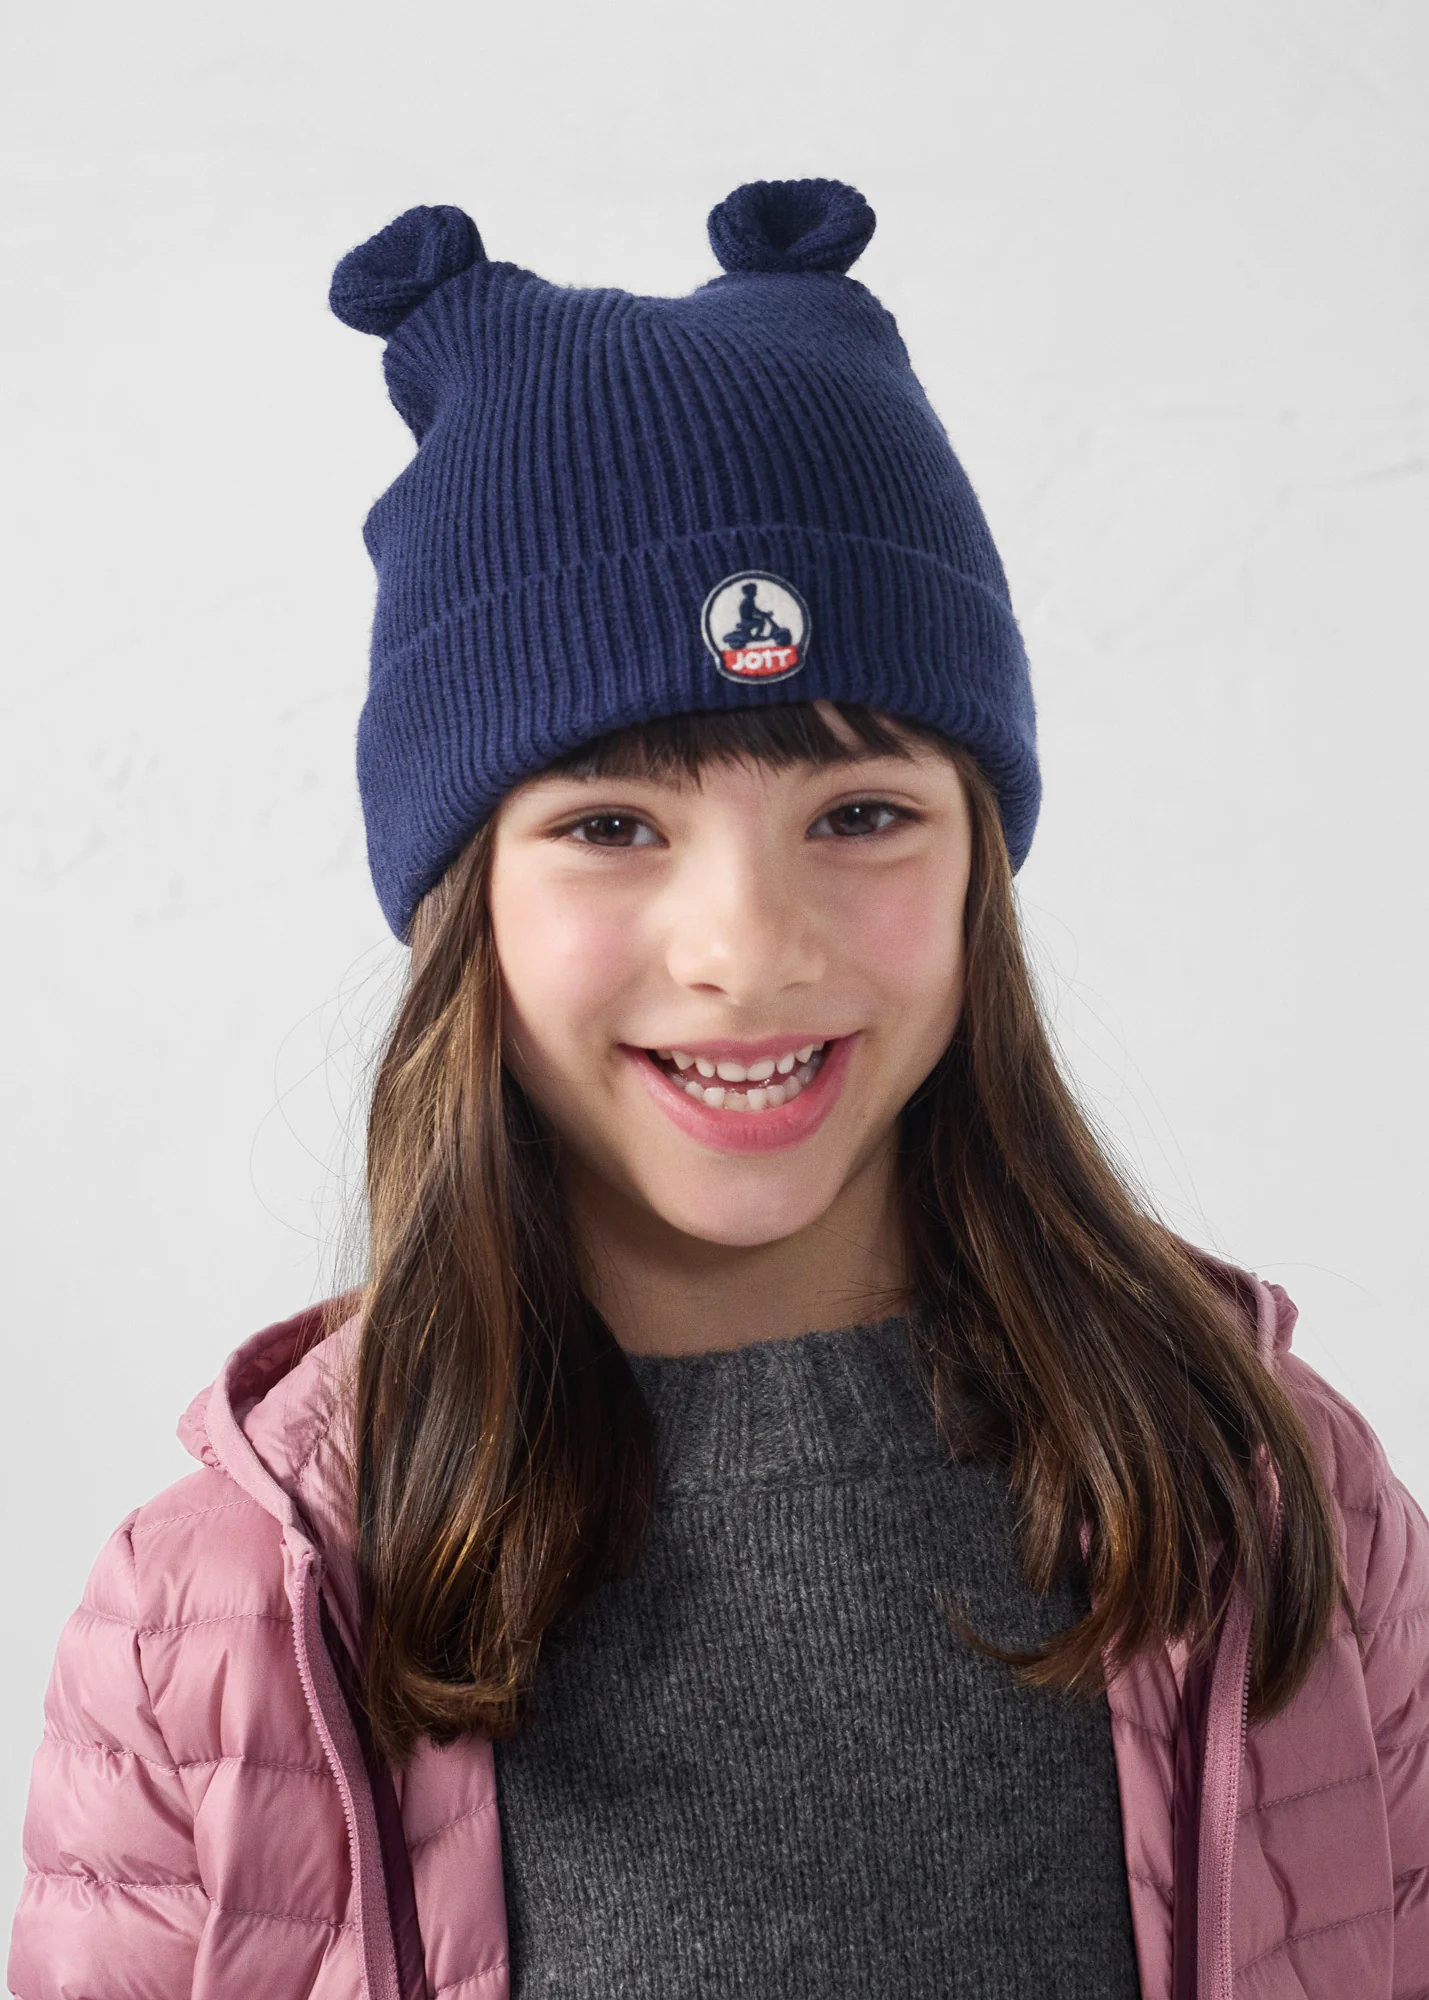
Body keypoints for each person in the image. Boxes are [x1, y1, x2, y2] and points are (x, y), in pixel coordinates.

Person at [9, 177, 1428, 2000]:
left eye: (862, 814)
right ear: (466, 906)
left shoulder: (1273, 1506)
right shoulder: (219, 1618)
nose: (748, 950)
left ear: (980, 872)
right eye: (612, 827)